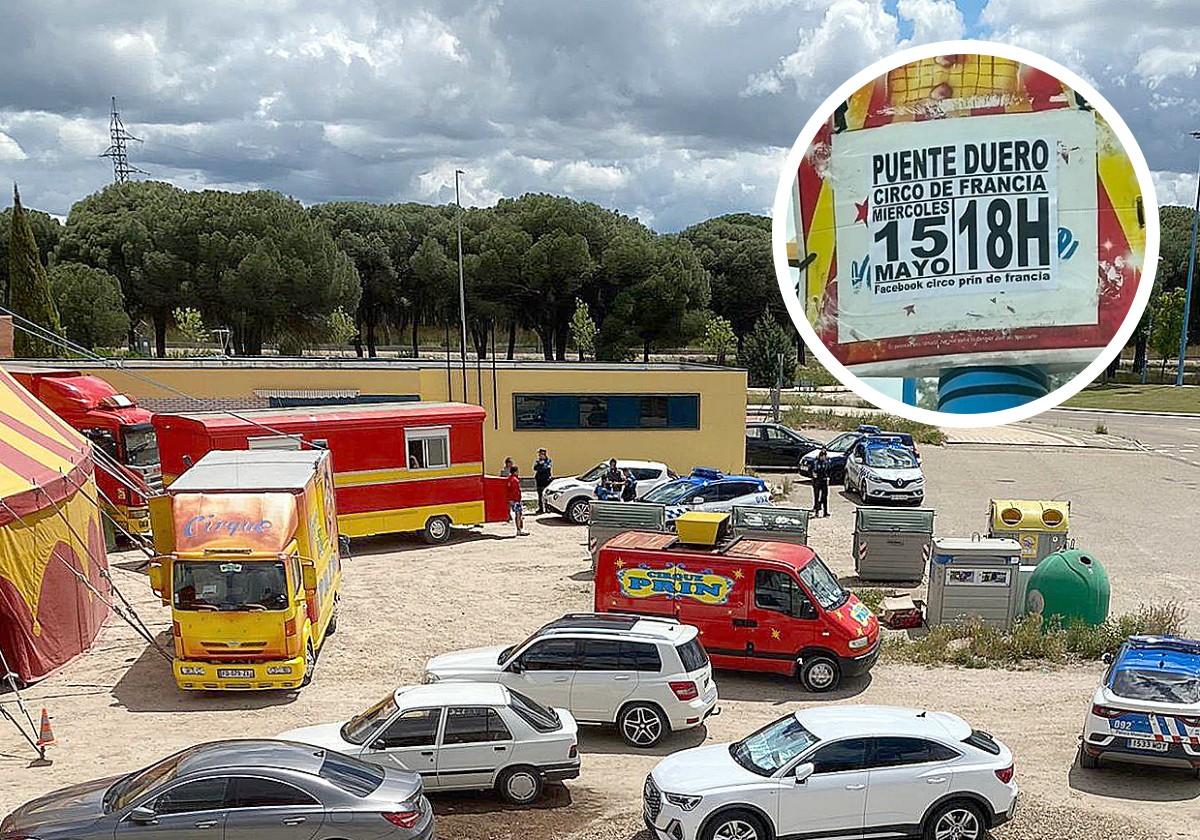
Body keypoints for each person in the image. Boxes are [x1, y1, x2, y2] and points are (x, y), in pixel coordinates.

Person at [507, 465, 528, 536]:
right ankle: (519, 529)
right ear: (515, 472)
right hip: (516, 500)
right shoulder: (515, 480)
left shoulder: (509, 479)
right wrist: (518, 499)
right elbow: (516, 491)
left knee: (517, 514)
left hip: (511, 499)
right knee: (518, 514)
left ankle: (519, 529)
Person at [811, 447, 830, 518]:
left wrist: (828, 478)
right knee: (817, 496)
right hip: (817, 481)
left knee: (824, 497)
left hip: (824, 481)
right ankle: (817, 511)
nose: (824, 457)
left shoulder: (827, 462)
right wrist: (815, 477)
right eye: (823, 456)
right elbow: (813, 471)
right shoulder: (816, 462)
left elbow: (828, 471)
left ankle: (825, 512)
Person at [533, 448, 553, 514]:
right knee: (540, 495)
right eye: (539, 454)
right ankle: (541, 508)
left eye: (541, 454)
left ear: (544, 454)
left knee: (547, 495)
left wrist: (541, 466)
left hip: (546, 480)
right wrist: (540, 465)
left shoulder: (548, 461)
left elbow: (546, 468)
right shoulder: (538, 461)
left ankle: (548, 508)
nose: (539, 456)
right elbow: (535, 468)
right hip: (539, 480)